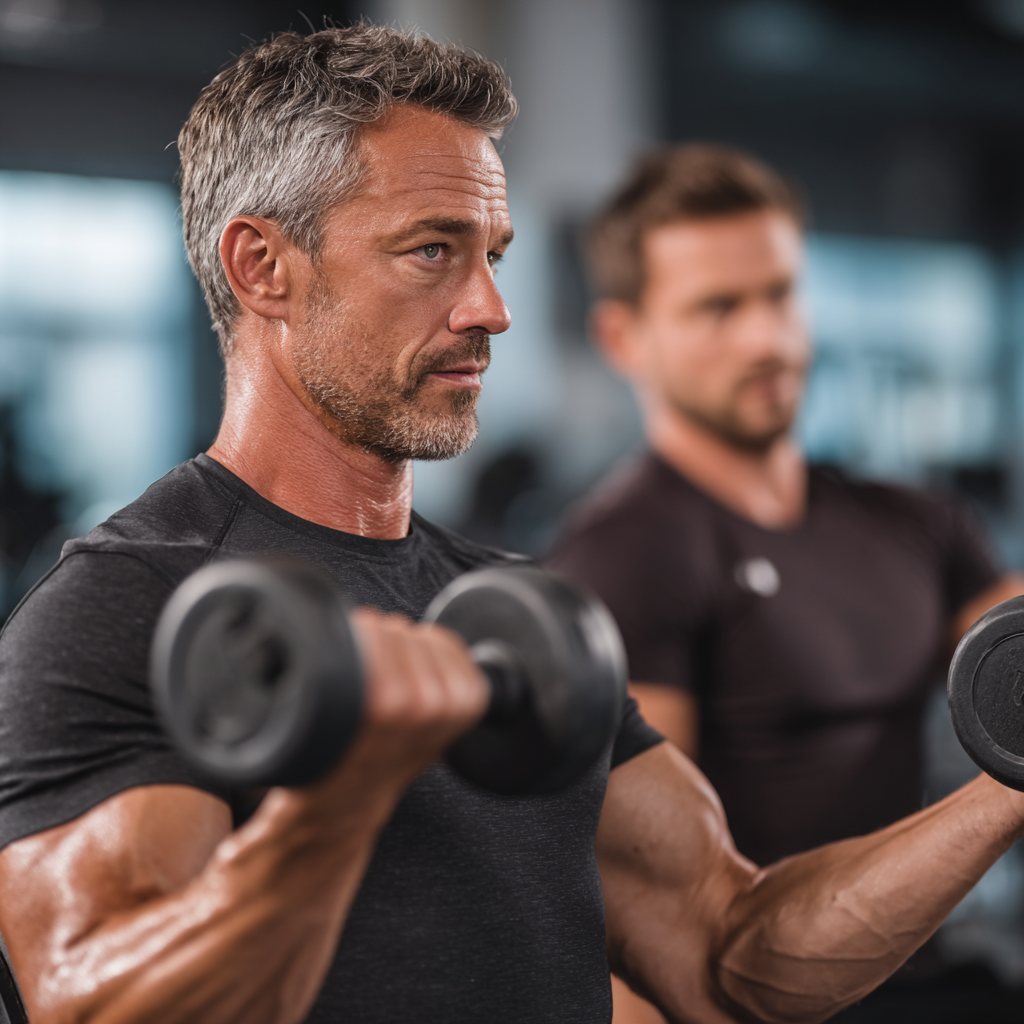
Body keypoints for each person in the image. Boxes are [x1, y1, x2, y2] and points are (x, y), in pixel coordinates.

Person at [0, 27, 1022, 1024]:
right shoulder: (124, 606)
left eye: (491, 252)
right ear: (262, 265)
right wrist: (336, 806)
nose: (491, 307)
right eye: (433, 251)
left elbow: (730, 953)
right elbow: (96, 1006)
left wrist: (1006, 780)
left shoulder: (514, 609)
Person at [546, 145, 1024, 1022]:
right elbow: (666, 908)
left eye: (780, 295)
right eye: (719, 308)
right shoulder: (625, 558)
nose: (768, 337)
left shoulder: (915, 519)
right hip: (770, 991)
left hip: (933, 971)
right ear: (624, 337)